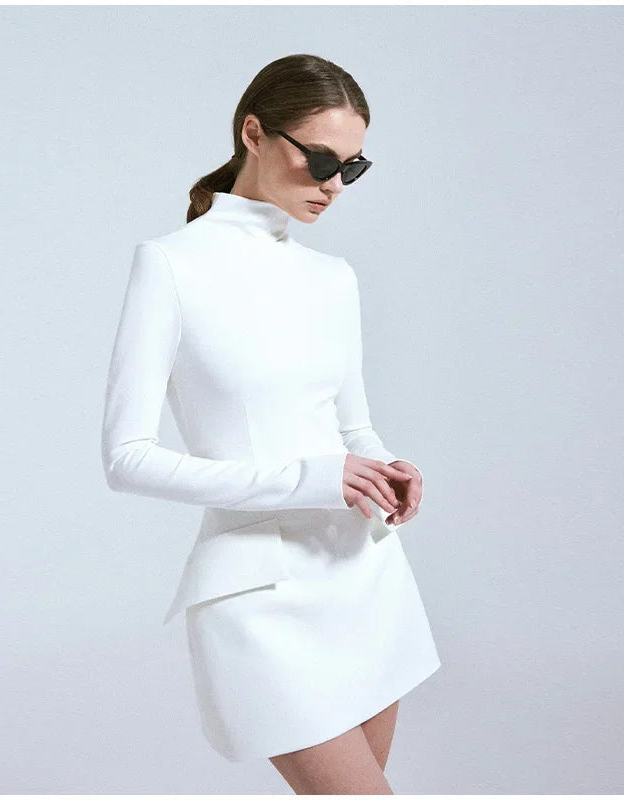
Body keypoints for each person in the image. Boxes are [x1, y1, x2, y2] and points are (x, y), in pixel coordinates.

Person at [100, 53, 441, 794]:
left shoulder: (332, 278)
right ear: (253, 133)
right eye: (319, 160)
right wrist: (311, 479)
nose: (333, 184)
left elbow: (353, 427)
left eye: (352, 168)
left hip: (364, 576)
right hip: (258, 593)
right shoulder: (170, 266)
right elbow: (126, 458)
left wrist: (386, 468)